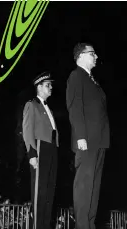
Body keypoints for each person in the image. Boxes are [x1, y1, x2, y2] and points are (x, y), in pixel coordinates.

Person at [66, 43, 110, 229]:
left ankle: (90, 225)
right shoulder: (76, 76)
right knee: (84, 186)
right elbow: (74, 106)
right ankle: (82, 226)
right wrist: (80, 136)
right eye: (92, 53)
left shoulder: (92, 80)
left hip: (100, 140)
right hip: (86, 140)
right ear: (81, 56)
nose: (96, 56)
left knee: (94, 187)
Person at [22, 72, 59, 229]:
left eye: (51, 85)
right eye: (47, 85)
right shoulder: (32, 105)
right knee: (39, 194)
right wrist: (32, 153)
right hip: (40, 148)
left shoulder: (48, 107)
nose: (50, 87)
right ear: (39, 87)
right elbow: (27, 130)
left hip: (52, 149)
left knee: (49, 194)